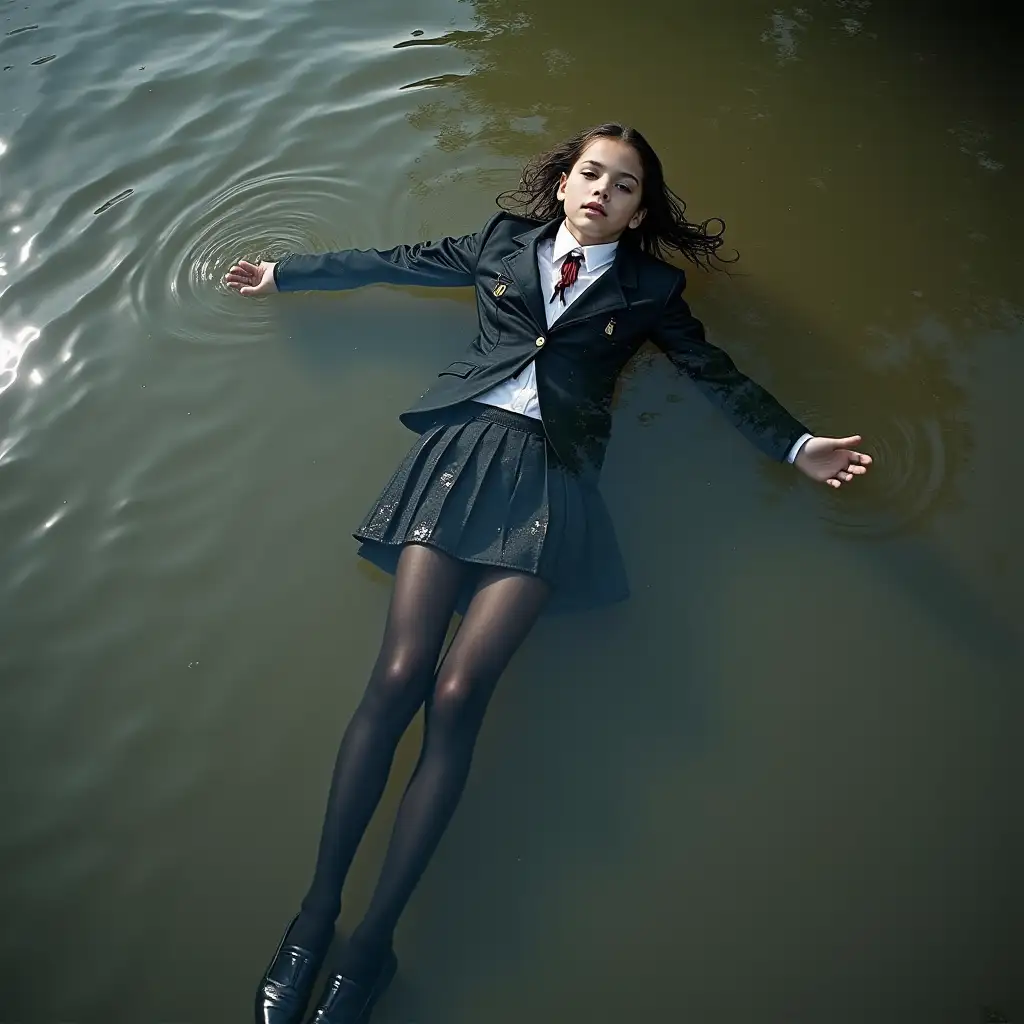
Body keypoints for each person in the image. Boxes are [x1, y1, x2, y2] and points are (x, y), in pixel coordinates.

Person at [225, 122, 871, 1024]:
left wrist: (796, 444)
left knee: (459, 694)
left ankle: (372, 942)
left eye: (626, 185)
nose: (603, 190)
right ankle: (313, 918)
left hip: (553, 483)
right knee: (402, 674)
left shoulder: (651, 290)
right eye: (591, 174)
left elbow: (712, 372)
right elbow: (400, 261)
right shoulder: (498, 244)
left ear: (641, 210)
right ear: (562, 183)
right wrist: (285, 273)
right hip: (457, 458)